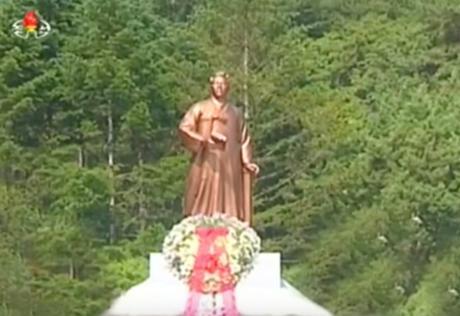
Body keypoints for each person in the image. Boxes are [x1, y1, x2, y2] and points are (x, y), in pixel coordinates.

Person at [178, 71, 259, 225]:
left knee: (229, 192)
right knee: (203, 189)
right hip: (207, 159)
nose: (219, 87)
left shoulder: (235, 113)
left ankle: (231, 224)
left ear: (228, 87)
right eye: (216, 84)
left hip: (230, 161)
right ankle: (200, 222)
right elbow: (184, 127)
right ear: (211, 86)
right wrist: (203, 139)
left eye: (223, 84)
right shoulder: (200, 108)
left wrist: (247, 161)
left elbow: (244, 138)